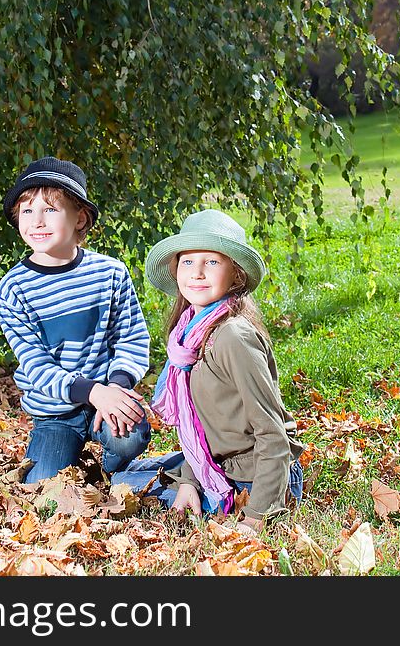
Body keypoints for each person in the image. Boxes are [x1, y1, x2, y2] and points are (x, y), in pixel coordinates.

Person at [112, 209, 304, 535]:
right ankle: (194, 484)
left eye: (212, 262)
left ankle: (215, 496)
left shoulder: (233, 337)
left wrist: (256, 516)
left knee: (128, 485)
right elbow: (203, 429)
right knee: (124, 478)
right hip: (218, 463)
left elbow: (274, 435)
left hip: (255, 478)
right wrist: (189, 479)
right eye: (188, 262)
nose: (198, 273)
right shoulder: (188, 336)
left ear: (236, 275)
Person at [0, 156, 151, 484]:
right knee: (43, 489)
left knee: (129, 436)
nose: (37, 221)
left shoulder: (109, 273)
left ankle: (113, 466)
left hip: (107, 395)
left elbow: (131, 338)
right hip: (55, 412)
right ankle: (63, 449)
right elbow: (36, 367)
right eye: (27, 210)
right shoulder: (14, 288)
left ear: (80, 218)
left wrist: (116, 388)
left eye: (50, 210)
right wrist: (92, 391)